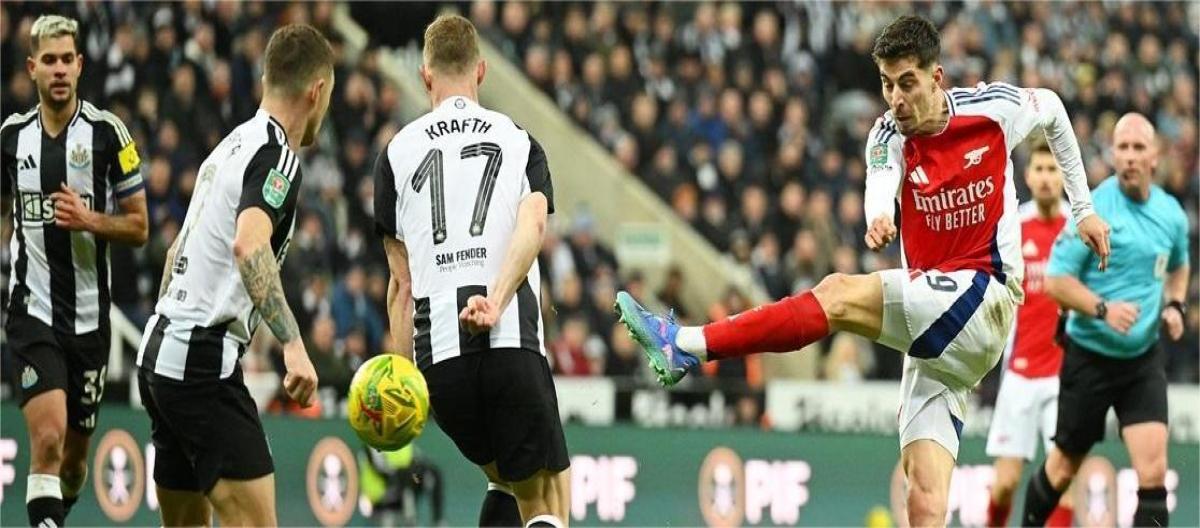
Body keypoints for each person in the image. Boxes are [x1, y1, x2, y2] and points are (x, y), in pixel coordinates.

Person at [615, 15, 1110, 526]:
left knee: (836, 295)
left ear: (936, 77)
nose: (895, 98)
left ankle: (687, 345)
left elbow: (1051, 107)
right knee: (924, 502)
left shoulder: (992, 111)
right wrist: (879, 212)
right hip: (940, 335)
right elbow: (881, 178)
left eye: (907, 83)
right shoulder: (887, 135)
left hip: (985, 295)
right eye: (887, 84)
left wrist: (1084, 210)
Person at [134, 24, 333, 526]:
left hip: (161, 350)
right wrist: (293, 345)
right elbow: (249, 244)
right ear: (318, 90)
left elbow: (176, 250)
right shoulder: (277, 156)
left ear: (266, 77)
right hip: (201, 362)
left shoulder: (231, 145)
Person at [375, 14, 569, 528]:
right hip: (512, 346)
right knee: (546, 500)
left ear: (425, 76)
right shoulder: (518, 140)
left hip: (441, 366)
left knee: (502, 479)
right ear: (481, 71)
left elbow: (401, 284)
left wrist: (402, 382)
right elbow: (533, 224)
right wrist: (498, 299)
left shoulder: (394, 156)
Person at [1, 14, 148, 527]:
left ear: (80, 65)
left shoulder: (110, 134)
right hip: (31, 310)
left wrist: (89, 219)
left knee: (72, 463)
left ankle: (53, 516)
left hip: (89, 320)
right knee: (47, 437)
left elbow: (140, 227)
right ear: (32, 68)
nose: (59, 69)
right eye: (49, 60)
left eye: (67, 59)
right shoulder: (11, 138)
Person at [1021, 113, 1189, 527]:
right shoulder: (1091, 210)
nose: (1130, 157)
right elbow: (1056, 282)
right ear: (1113, 155)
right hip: (1090, 356)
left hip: (1141, 360)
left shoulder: (1171, 215)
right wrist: (1103, 308)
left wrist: (1175, 306)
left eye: (1138, 148)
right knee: (1061, 469)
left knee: (1152, 473)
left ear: (1155, 156)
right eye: (1123, 148)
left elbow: (1180, 266)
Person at [984, 141, 1074, 527]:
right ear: (1028, 175)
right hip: (1019, 372)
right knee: (1005, 484)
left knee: (1062, 480)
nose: (1046, 178)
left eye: (1053, 170)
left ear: (1064, 177)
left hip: (1065, 376)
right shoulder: (1014, 226)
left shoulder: (1077, 228)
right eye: (1039, 169)